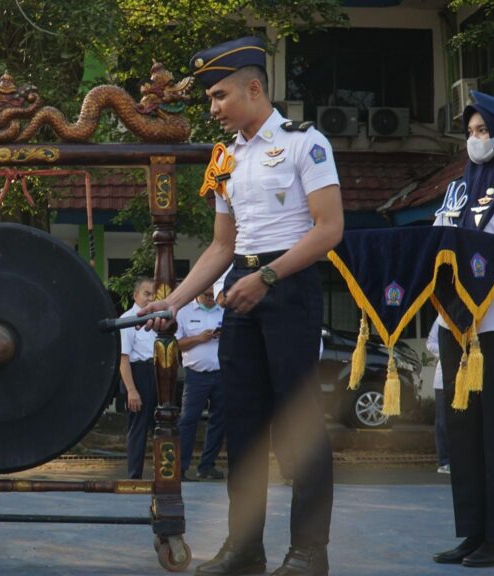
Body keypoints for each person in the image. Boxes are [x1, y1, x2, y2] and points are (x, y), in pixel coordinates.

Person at [140, 36, 343, 576]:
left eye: (220, 95)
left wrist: (269, 277)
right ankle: (244, 548)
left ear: (255, 88)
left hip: (289, 283)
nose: (213, 109)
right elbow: (221, 246)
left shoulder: (305, 143)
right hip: (242, 287)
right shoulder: (225, 158)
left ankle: (307, 552)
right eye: (210, 98)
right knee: (244, 425)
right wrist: (174, 302)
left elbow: (329, 230)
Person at [430, 91, 494, 568]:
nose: (475, 139)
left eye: (484, 131)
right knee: (463, 433)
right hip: (456, 326)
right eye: (471, 132)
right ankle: (472, 532)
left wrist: (487, 269)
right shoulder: (459, 189)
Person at [174, 286, 226, 481]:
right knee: (188, 420)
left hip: (221, 373)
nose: (212, 299)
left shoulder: (223, 312)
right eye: (207, 295)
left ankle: (207, 465)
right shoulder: (184, 313)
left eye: (214, 295)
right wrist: (199, 338)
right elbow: (175, 343)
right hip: (196, 375)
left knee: (219, 421)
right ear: (197, 293)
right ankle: (181, 467)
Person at [118, 277, 158, 479]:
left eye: (154, 294)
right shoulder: (128, 319)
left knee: (162, 426)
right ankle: (135, 476)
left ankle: (165, 474)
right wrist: (132, 391)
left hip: (157, 373)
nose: (150, 298)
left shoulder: (157, 318)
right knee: (138, 428)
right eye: (146, 293)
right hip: (137, 375)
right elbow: (123, 359)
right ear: (135, 295)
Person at [424, 318, 449, 475]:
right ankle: (445, 461)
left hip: (470, 378)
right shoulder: (442, 317)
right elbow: (430, 343)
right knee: (443, 421)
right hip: (443, 380)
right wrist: (450, 352)